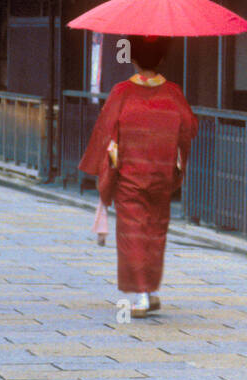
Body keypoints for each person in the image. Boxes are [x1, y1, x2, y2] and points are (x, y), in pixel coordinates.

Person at [79, 35, 198, 317]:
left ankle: (142, 296)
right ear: (161, 60)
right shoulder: (173, 93)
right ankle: (151, 291)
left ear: (132, 58)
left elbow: (106, 129)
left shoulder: (122, 92)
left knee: (132, 232)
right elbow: (189, 127)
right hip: (161, 174)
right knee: (155, 232)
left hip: (130, 176)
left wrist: (105, 164)